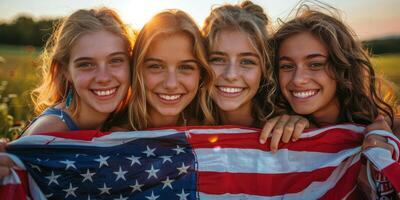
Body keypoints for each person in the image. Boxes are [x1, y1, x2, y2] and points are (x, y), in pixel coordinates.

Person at [271, 5, 398, 198]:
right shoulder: (275, 133)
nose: (298, 79)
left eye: (315, 64)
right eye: (287, 66)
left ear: (343, 67)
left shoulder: (391, 132)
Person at [0, 7, 133, 177]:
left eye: (115, 60)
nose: (103, 77)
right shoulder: (50, 130)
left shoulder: (123, 117)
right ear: (65, 71)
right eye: (86, 64)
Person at [202, 1, 309, 152]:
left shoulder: (282, 127)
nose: (231, 75)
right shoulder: (186, 126)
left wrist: (297, 123)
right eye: (218, 59)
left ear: (265, 69)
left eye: (247, 61)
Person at [126, 9, 215, 130]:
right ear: (137, 69)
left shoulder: (207, 133)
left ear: (201, 73)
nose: (171, 84)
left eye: (185, 67)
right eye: (156, 66)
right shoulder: (109, 139)